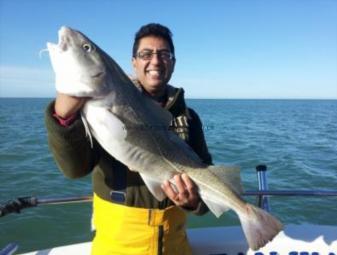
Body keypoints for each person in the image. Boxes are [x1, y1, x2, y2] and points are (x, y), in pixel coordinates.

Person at [45, 23, 212, 255]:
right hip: (116, 247)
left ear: (173, 62)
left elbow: (206, 194)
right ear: (133, 62)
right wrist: (63, 118)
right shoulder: (93, 107)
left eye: (164, 54)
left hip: (175, 246)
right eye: (146, 54)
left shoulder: (189, 117)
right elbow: (74, 170)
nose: (155, 61)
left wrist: (193, 203)